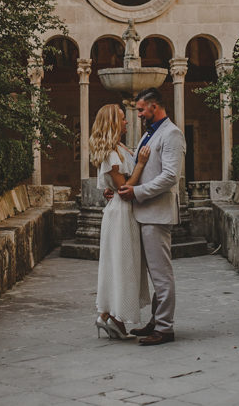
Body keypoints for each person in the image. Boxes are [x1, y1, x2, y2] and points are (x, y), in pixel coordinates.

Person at [117, 87, 185, 346]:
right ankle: (157, 321)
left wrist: (137, 192)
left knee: (161, 275)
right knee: (156, 274)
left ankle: (165, 328)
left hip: (157, 214)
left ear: (155, 107)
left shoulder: (172, 134)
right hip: (144, 213)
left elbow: (170, 176)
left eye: (142, 109)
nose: (139, 114)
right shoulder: (149, 134)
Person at [89, 103, 152, 340]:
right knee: (122, 264)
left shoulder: (119, 147)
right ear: (114, 123)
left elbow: (115, 186)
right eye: (123, 119)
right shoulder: (112, 153)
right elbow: (125, 187)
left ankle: (106, 317)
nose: (127, 122)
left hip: (124, 210)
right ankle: (113, 317)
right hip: (121, 213)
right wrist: (142, 164)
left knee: (125, 264)